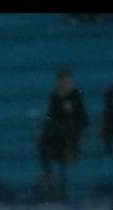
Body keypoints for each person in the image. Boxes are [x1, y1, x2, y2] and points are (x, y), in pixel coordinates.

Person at [38, 69, 89, 199]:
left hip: (73, 133)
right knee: (44, 140)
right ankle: (49, 174)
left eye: (67, 81)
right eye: (62, 81)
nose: (64, 84)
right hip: (58, 135)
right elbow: (51, 116)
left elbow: (82, 119)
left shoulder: (76, 96)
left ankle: (70, 154)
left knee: (67, 133)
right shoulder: (55, 96)